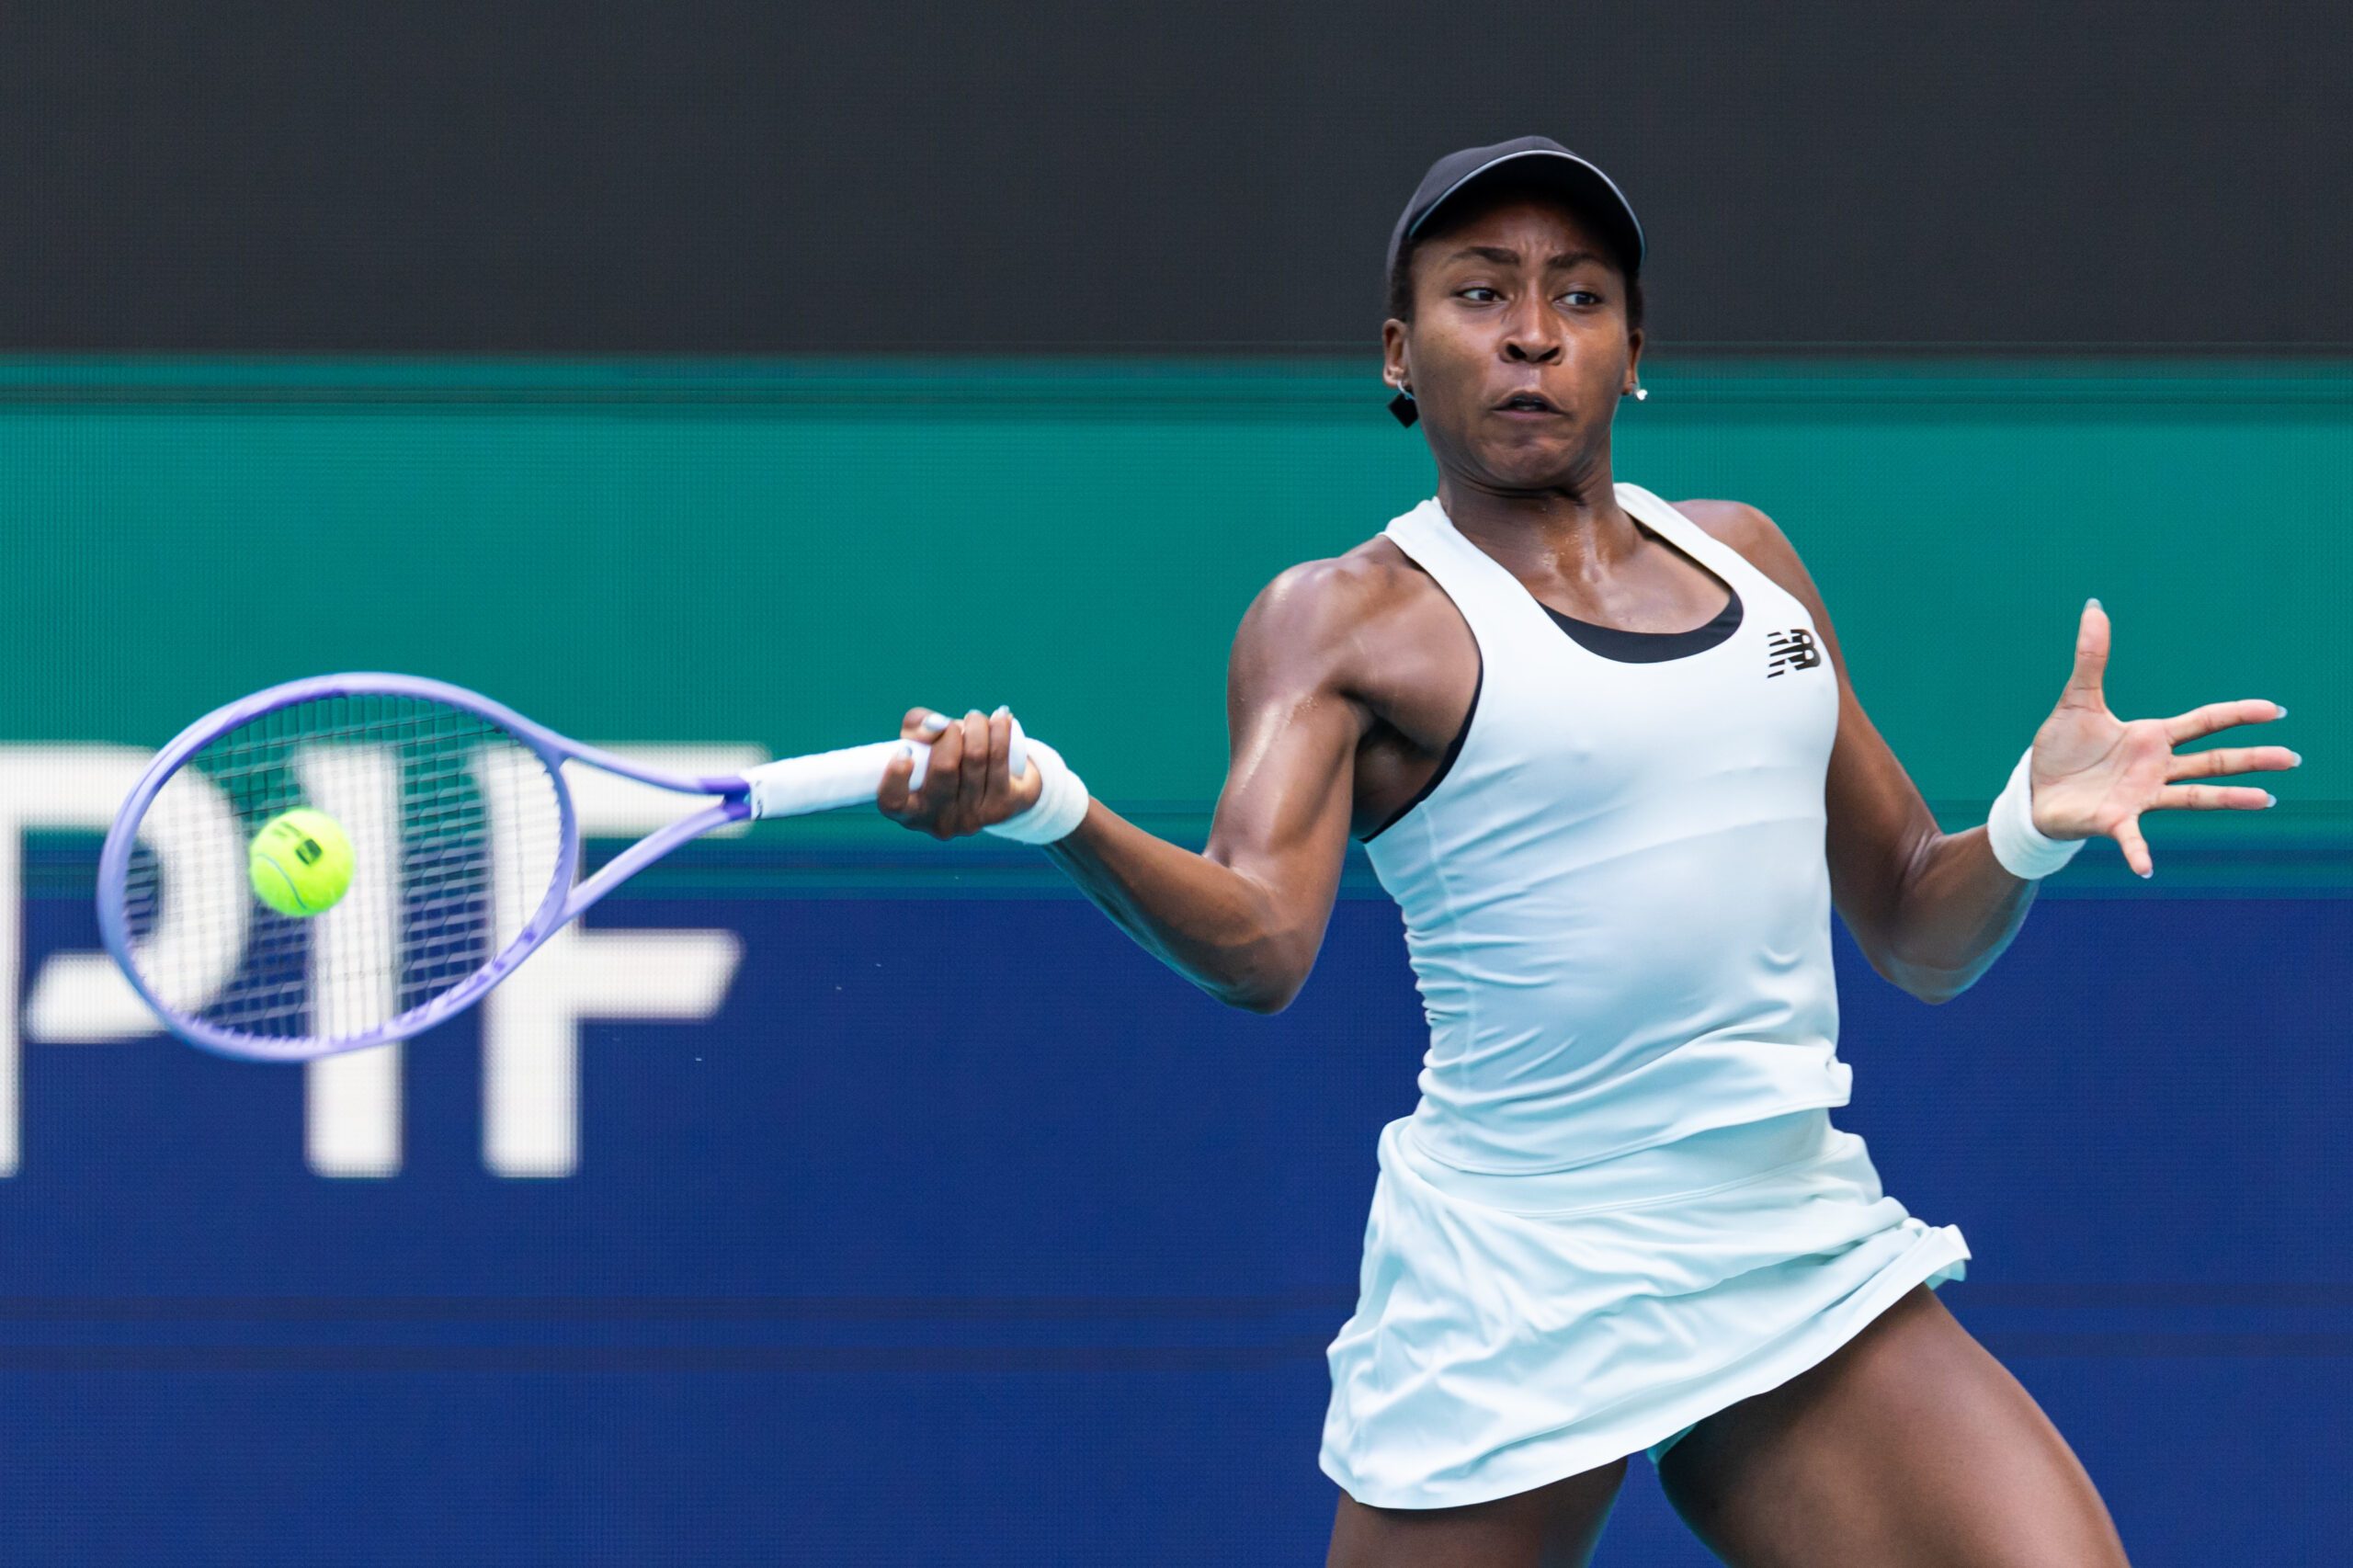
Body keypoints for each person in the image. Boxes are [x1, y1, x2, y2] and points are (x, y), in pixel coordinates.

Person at [874, 136, 2296, 1566]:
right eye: (1482, 294)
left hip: (1784, 1241)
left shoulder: (1752, 560)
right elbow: (1262, 942)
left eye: (1580, 297)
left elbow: (1920, 923)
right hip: (1516, 1283)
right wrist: (1053, 804)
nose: (1534, 334)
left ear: (1633, 353)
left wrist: (2030, 825)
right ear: (1397, 351)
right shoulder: (1342, 620)